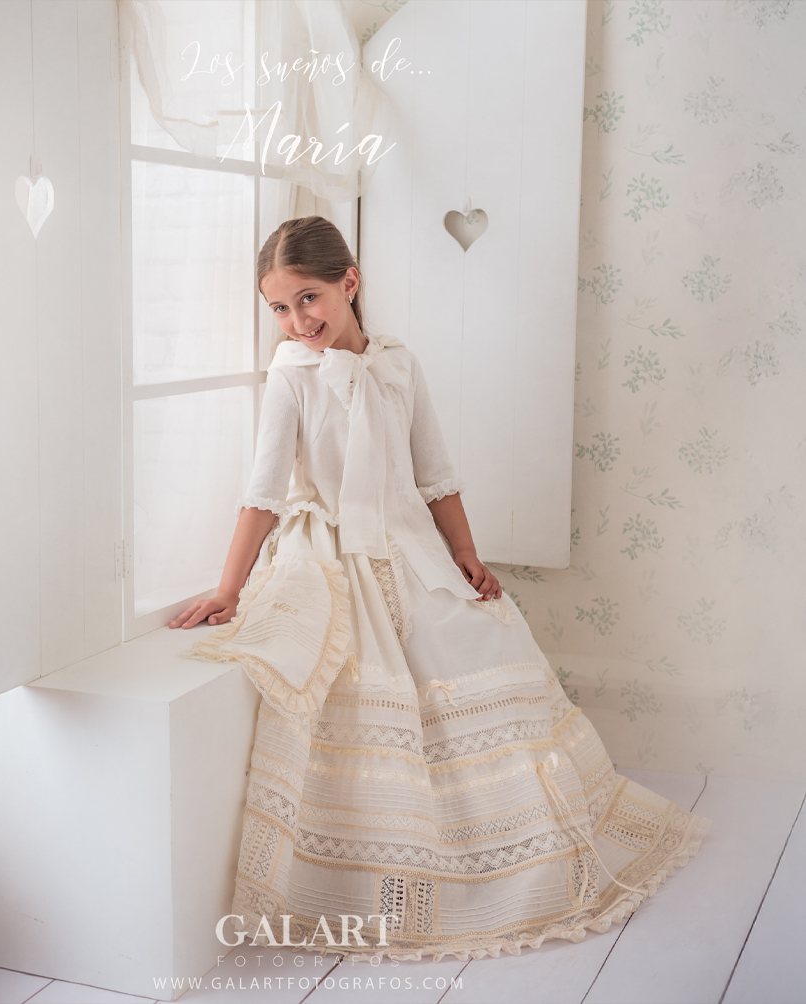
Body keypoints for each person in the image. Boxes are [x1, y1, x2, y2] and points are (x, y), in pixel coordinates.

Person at [168, 215, 710, 961]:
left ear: (349, 282)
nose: (297, 321)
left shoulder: (399, 365)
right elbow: (262, 493)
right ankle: (398, 861)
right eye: (280, 308)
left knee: (480, 636)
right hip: (335, 551)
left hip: (409, 544)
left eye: (308, 299)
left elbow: (436, 474)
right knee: (375, 678)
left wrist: (465, 553)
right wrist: (230, 589)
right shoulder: (290, 375)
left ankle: (515, 842)